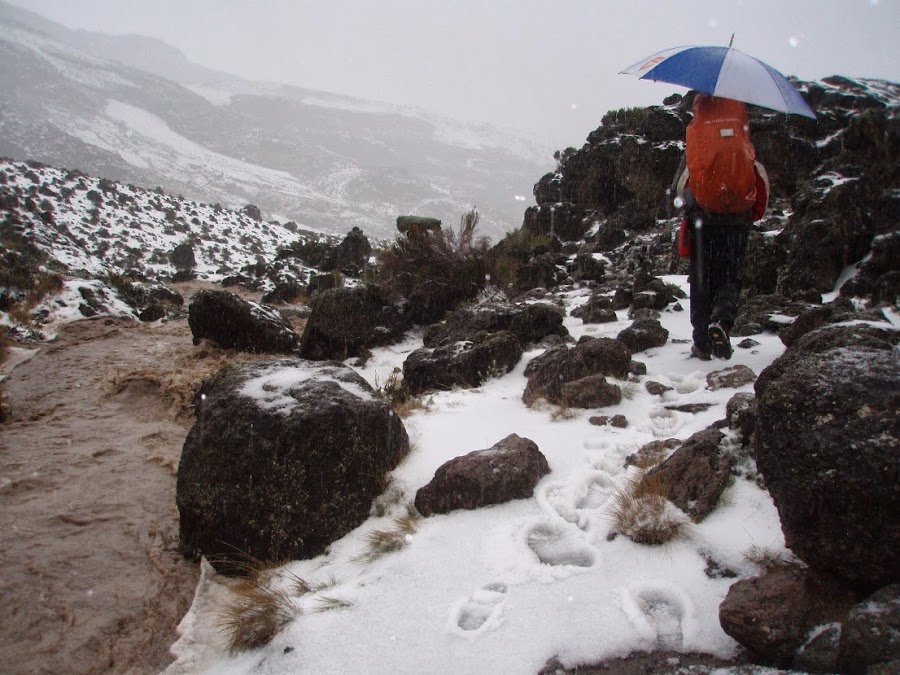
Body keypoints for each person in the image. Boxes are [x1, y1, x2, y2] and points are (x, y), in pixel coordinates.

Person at [672, 93, 769, 360]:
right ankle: (722, 322)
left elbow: (677, 188)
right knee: (730, 275)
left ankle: (702, 343)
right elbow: (760, 182)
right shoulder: (741, 138)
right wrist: (750, 213)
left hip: (703, 222)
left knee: (701, 279)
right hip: (737, 221)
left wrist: (691, 208)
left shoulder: (699, 140)